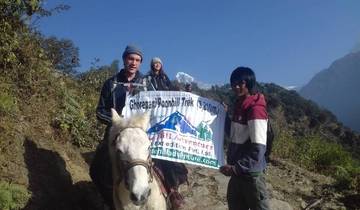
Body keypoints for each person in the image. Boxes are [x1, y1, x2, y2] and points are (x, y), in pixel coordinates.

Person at [90, 45, 144, 210]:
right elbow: (100, 111)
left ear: (140, 63)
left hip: (140, 136)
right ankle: (109, 200)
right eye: (130, 59)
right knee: (97, 168)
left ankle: (172, 194)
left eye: (137, 60)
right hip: (115, 135)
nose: (133, 63)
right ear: (124, 59)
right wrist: (119, 122)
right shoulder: (111, 83)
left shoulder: (147, 84)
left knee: (167, 164)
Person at [220, 67, 270, 210]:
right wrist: (224, 116)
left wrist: (236, 168)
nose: (236, 87)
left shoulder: (255, 109)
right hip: (238, 175)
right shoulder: (239, 106)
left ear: (248, 83)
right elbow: (234, 134)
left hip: (251, 177)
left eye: (240, 83)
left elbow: (258, 149)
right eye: (233, 83)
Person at [145, 57, 188, 210]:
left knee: (169, 158)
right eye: (154, 63)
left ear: (161, 65)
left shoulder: (165, 78)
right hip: (151, 119)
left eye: (159, 63)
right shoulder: (146, 79)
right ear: (151, 65)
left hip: (165, 119)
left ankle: (173, 191)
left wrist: (185, 93)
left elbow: (172, 94)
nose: (156, 65)